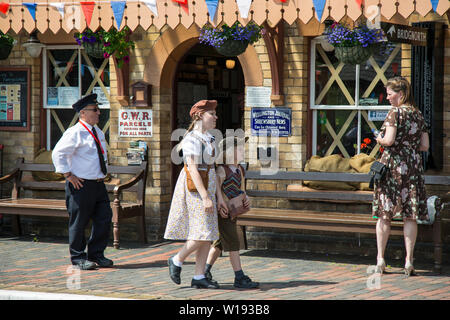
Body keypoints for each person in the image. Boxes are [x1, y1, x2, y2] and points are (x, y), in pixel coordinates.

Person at [164, 100, 227, 289]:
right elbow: (192, 168)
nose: (216, 117)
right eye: (212, 114)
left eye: (215, 114)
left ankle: (199, 276)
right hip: (195, 188)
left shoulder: (210, 138)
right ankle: (177, 259)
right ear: (199, 116)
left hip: (207, 186)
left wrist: (219, 198)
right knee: (203, 231)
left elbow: (213, 170)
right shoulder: (191, 139)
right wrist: (206, 197)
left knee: (208, 233)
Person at [372, 77, 429, 277]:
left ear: (401, 94)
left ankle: (380, 259)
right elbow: (425, 146)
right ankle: (409, 261)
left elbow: (388, 140)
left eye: (390, 94)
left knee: (384, 214)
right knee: (410, 215)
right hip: (413, 168)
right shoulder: (418, 114)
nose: (387, 97)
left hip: (393, 168)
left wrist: (379, 138)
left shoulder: (395, 113)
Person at [52, 93, 113, 270]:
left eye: (98, 109)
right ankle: (78, 258)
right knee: (79, 222)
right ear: (83, 113)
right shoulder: (75, 132)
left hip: (97, 184)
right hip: (81, 185)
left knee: (104, 218)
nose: (99, 113)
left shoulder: (97, 132)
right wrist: (68, 175)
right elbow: (58, 154)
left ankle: (96, 255)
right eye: (95, 110)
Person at [205, 136, 259, 289]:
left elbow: (241, 188)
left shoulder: (240, 169)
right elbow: (215, 190)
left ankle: (205, 271)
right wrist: (220, 203)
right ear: (229, 152)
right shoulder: (222, 170)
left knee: (219, 243)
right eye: (239, 148)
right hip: (223, 212)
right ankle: (239, 276)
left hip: (234, 210)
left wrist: (245, 197)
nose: (243, 151)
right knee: (234, 242)